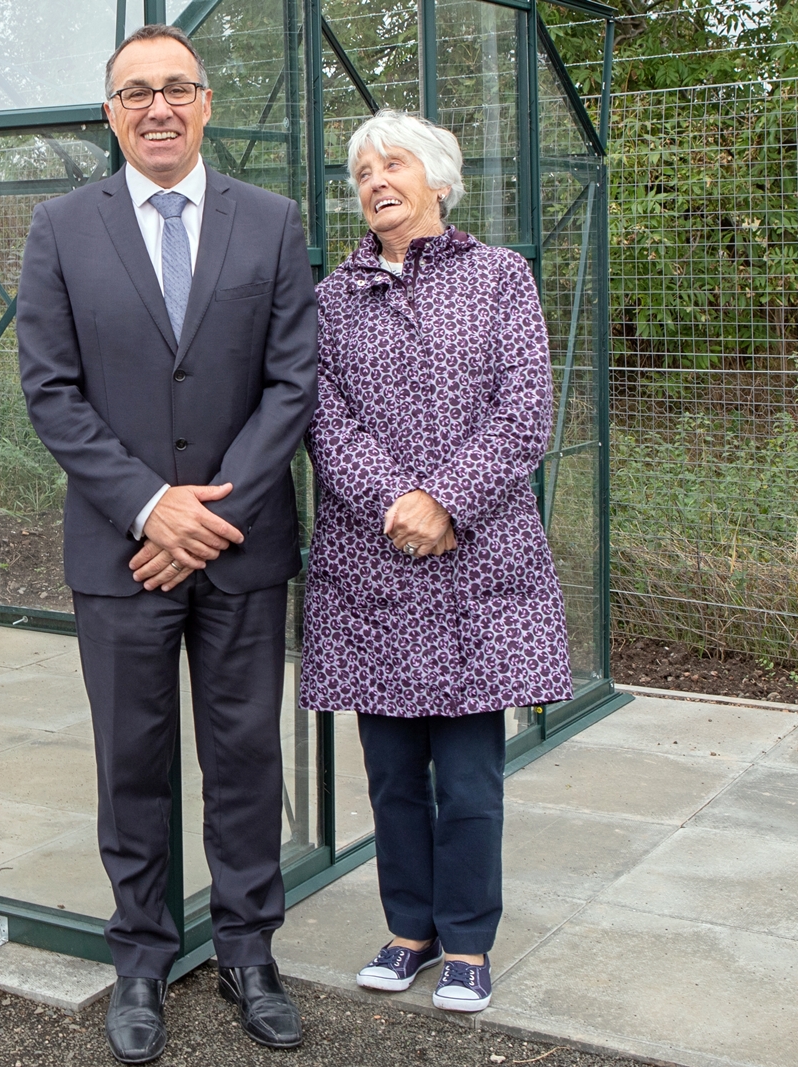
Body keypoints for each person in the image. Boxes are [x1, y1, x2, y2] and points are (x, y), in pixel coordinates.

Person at [18, 25, 317, 1064]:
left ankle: (248, 952)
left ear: (204, 103)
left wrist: (203, 517)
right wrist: (151, 507)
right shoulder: (61, 229)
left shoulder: (272, 223)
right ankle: (140, 956)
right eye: (134, 92)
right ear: (109, 112)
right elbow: (49, 392)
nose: (156, 107)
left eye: (175, 88)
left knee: (242, 756)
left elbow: (292, 382)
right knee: (131, 760)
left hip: (239, 546)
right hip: (120, 550)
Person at [302, 110, 574, 1014]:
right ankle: (407, 929)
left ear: (440, 179)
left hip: (476, 562)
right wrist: (396, 504)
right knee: (389, 773)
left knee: (466, 776)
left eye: (395, 163)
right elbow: (322, 417)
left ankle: (466, 940)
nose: (377, 179)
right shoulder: (331, 298)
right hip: (372, 566)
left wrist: (446, 501)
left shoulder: (500, 276)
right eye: (363, 169)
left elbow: (525, 408)